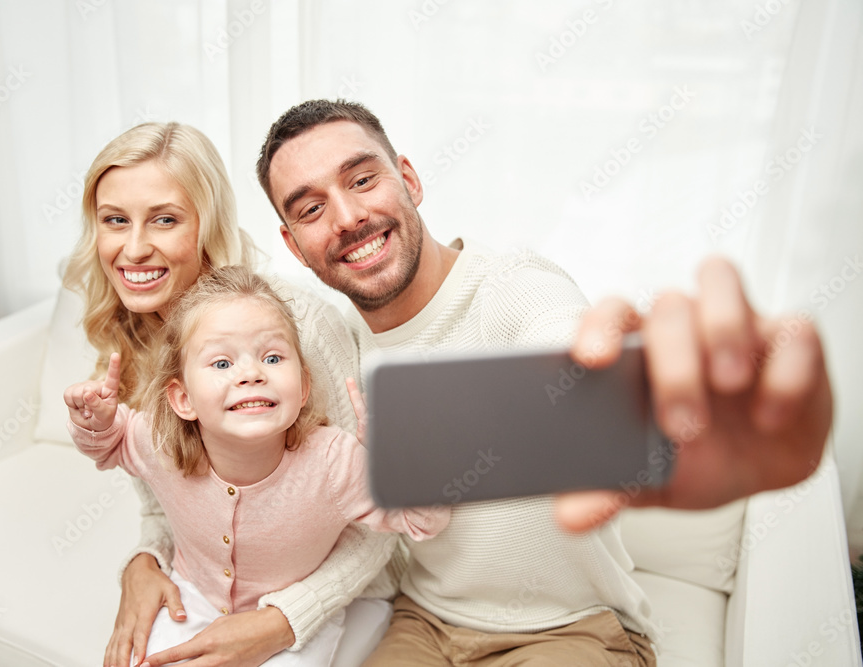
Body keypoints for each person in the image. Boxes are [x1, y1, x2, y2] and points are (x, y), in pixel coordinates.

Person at [235, 98, 829, 665]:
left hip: (575, 629)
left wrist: (642, 400)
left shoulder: (515, 285)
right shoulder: (334, 345)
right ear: (293, 245)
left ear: (409, 180)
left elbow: (567, 353)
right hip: (424, 621)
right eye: (311, 209)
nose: (347, 218)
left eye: (363, 180)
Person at [63, 122, 406, 667]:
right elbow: (164, 493)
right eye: (115, 221)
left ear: (207, 226)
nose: (133, 248)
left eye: (165, 219)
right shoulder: (127, 339)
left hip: (333, 595)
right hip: (209, 590)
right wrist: (145, 561)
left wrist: (281, 621)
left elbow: (373, 514)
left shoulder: (297, 326)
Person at [64, 266, 449, 667]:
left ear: (302, 387)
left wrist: (400, 465)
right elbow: (110, 445)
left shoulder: (335, 462)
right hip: (191, 598)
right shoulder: (159, 442)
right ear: (183, 399)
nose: (250, 373)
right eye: (222, 363)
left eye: (272, 357)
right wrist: (94, 421)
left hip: (289, 619)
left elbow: (425, 522)